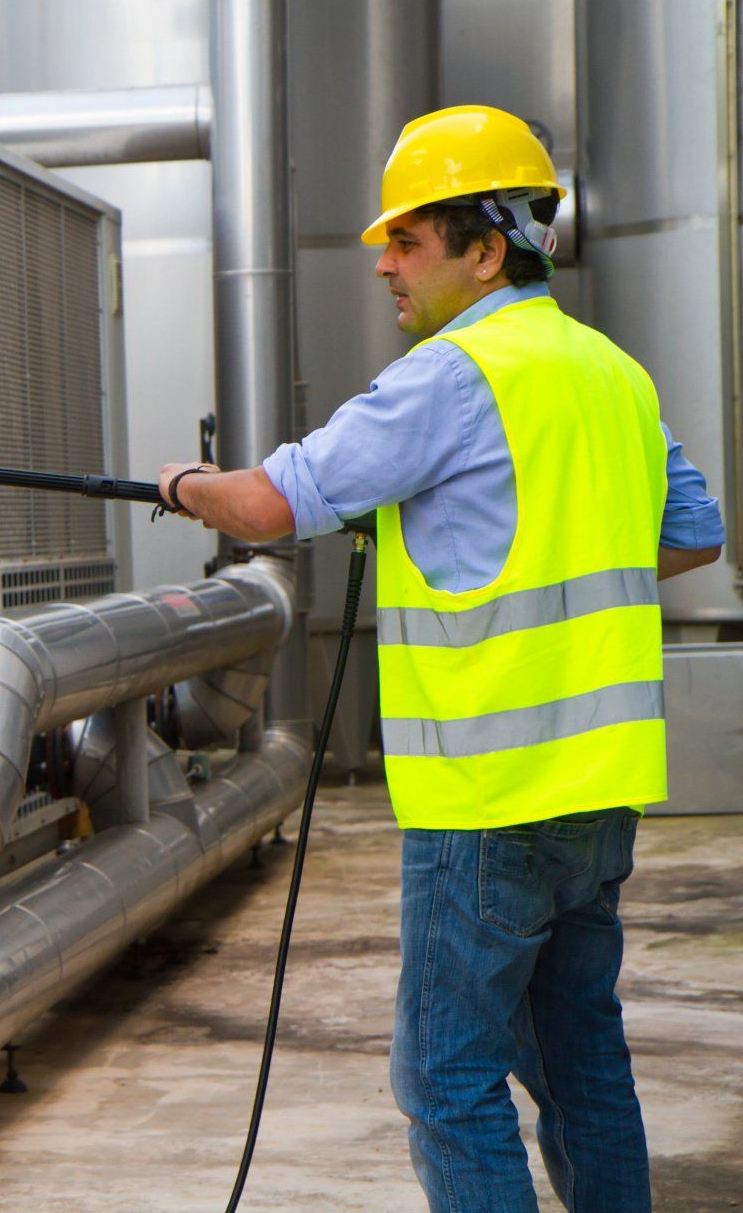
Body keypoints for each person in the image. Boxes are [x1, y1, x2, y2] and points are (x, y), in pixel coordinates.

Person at [154, 105, 726, 1213]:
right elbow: (692, 531)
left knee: (447, 1074)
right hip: (598, 789)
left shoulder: (450, 375)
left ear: (486, 245)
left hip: (486, 796)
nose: (382, 264)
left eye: (406, 239)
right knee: (579, 1062)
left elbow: (271, 501)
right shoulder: (614, 374)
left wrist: (183, 484)